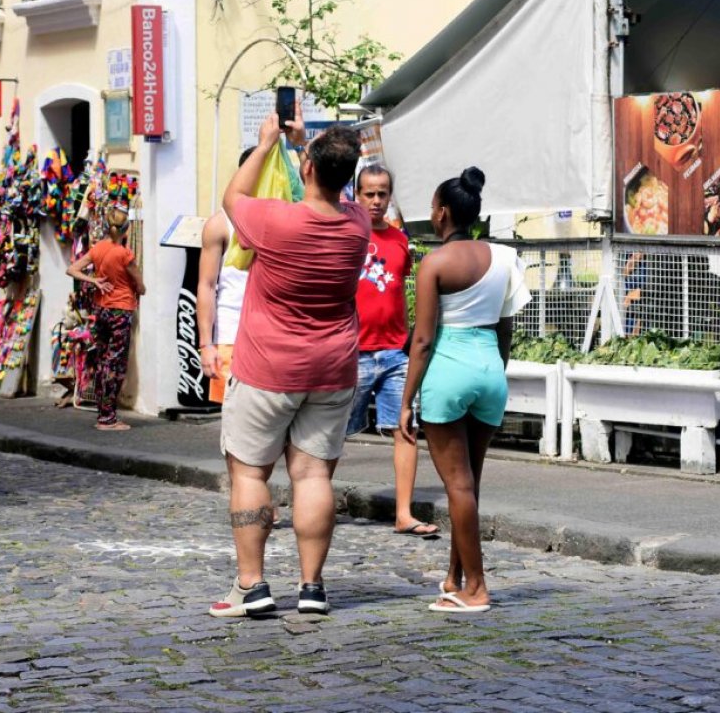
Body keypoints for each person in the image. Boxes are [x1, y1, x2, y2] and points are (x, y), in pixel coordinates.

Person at [210, 107, 369, 618]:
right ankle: (312, 587)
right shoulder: (358, 226)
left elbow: (233, 198)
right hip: (331, 368)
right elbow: (329, 188)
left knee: (250, 474)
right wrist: (305, 149)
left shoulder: (274, 221)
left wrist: (264, 145)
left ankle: (252, 586)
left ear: (308, 171)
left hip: (267, 368)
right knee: (313, 476)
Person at [399, 167, 530, 615]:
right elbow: (507, 327)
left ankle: (476, 587)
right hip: (490, 367)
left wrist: (406, 400)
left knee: (457, 486)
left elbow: (422, 339)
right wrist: (495, 370)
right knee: (469, 486)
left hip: (448, 370)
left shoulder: (434, 263)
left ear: (442, 213)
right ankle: (454, 578)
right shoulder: (506, 257)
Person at [347, 165, 438, 538]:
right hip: (352, 352)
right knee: (327, 433)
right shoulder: (346, 235)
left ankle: (404, 512)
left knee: (406, 428)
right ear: (357, 194)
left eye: (382, 193)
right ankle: (310, 500)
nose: (376, 201)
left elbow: (399, 291)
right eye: (369, 193)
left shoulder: (400, 241)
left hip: (394, 353)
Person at [65, 209, 146, 431]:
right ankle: (108, 418)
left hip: (101, 309)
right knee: (116, 363)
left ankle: (103, 412)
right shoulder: (125, 254)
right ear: (125, 229)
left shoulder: (99, 248)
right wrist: (140, 288)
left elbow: (71, 269)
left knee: (102, 360)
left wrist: (94, 281)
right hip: (120, 309)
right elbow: (140, 284)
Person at [197, 148, 255, 405]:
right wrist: (206, 344)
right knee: (234, 421)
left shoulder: (286, 216)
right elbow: (207, 285)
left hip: (275, 336)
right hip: (232, 336)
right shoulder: (220, 224)